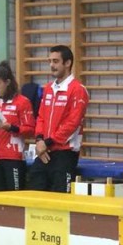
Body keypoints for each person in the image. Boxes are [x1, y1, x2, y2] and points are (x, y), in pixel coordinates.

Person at [29, 45, 88, 192]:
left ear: (67, 63)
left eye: (55, 61)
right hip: (45, 150)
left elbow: (73, 123)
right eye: (50, 61)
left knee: (60, 196)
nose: (51, 65)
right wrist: (39, 140)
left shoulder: (78, 89)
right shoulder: (48, 88)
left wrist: (48, 142)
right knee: (35, 190)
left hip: (64, 153)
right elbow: (41, 117)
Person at [0, 61, 35, 191]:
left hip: (13, 157)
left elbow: (30, 130)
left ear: (8, 82)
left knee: (14, 197)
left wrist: (10, 127)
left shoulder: (22, 102)